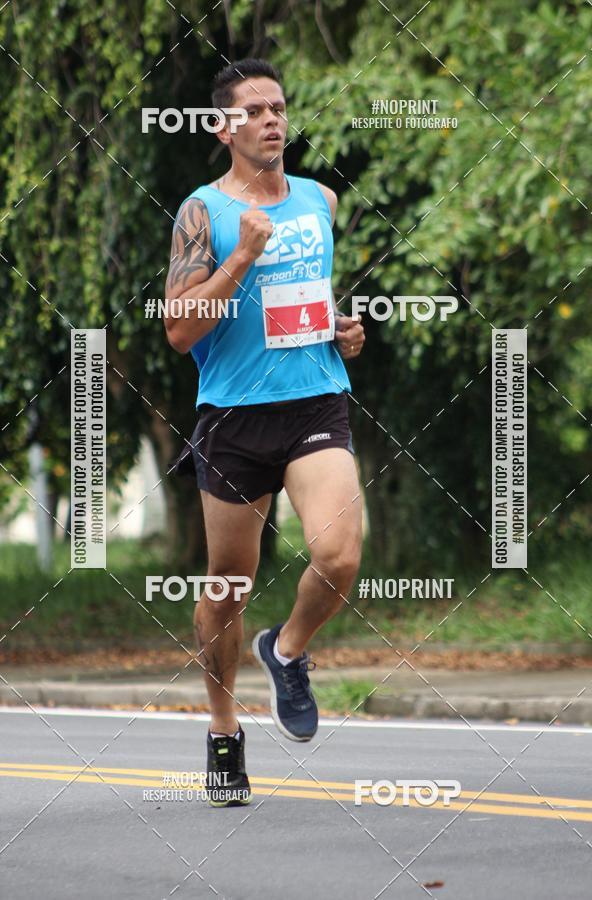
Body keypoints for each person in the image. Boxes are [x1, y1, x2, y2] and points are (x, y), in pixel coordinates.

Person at [164, 58, 365, 807]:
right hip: (233, 419)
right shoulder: (200, 212)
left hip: (316, 401)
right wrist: (240, 256)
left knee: (339, 556)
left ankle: (286, 653)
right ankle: (223, 733)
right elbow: (180, 332)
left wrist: (339, 331)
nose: (272, 120)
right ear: (223, 127)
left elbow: (306, 299)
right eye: (253, 110)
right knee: (226, 587)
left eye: (278, 107)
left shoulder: (320, 200)